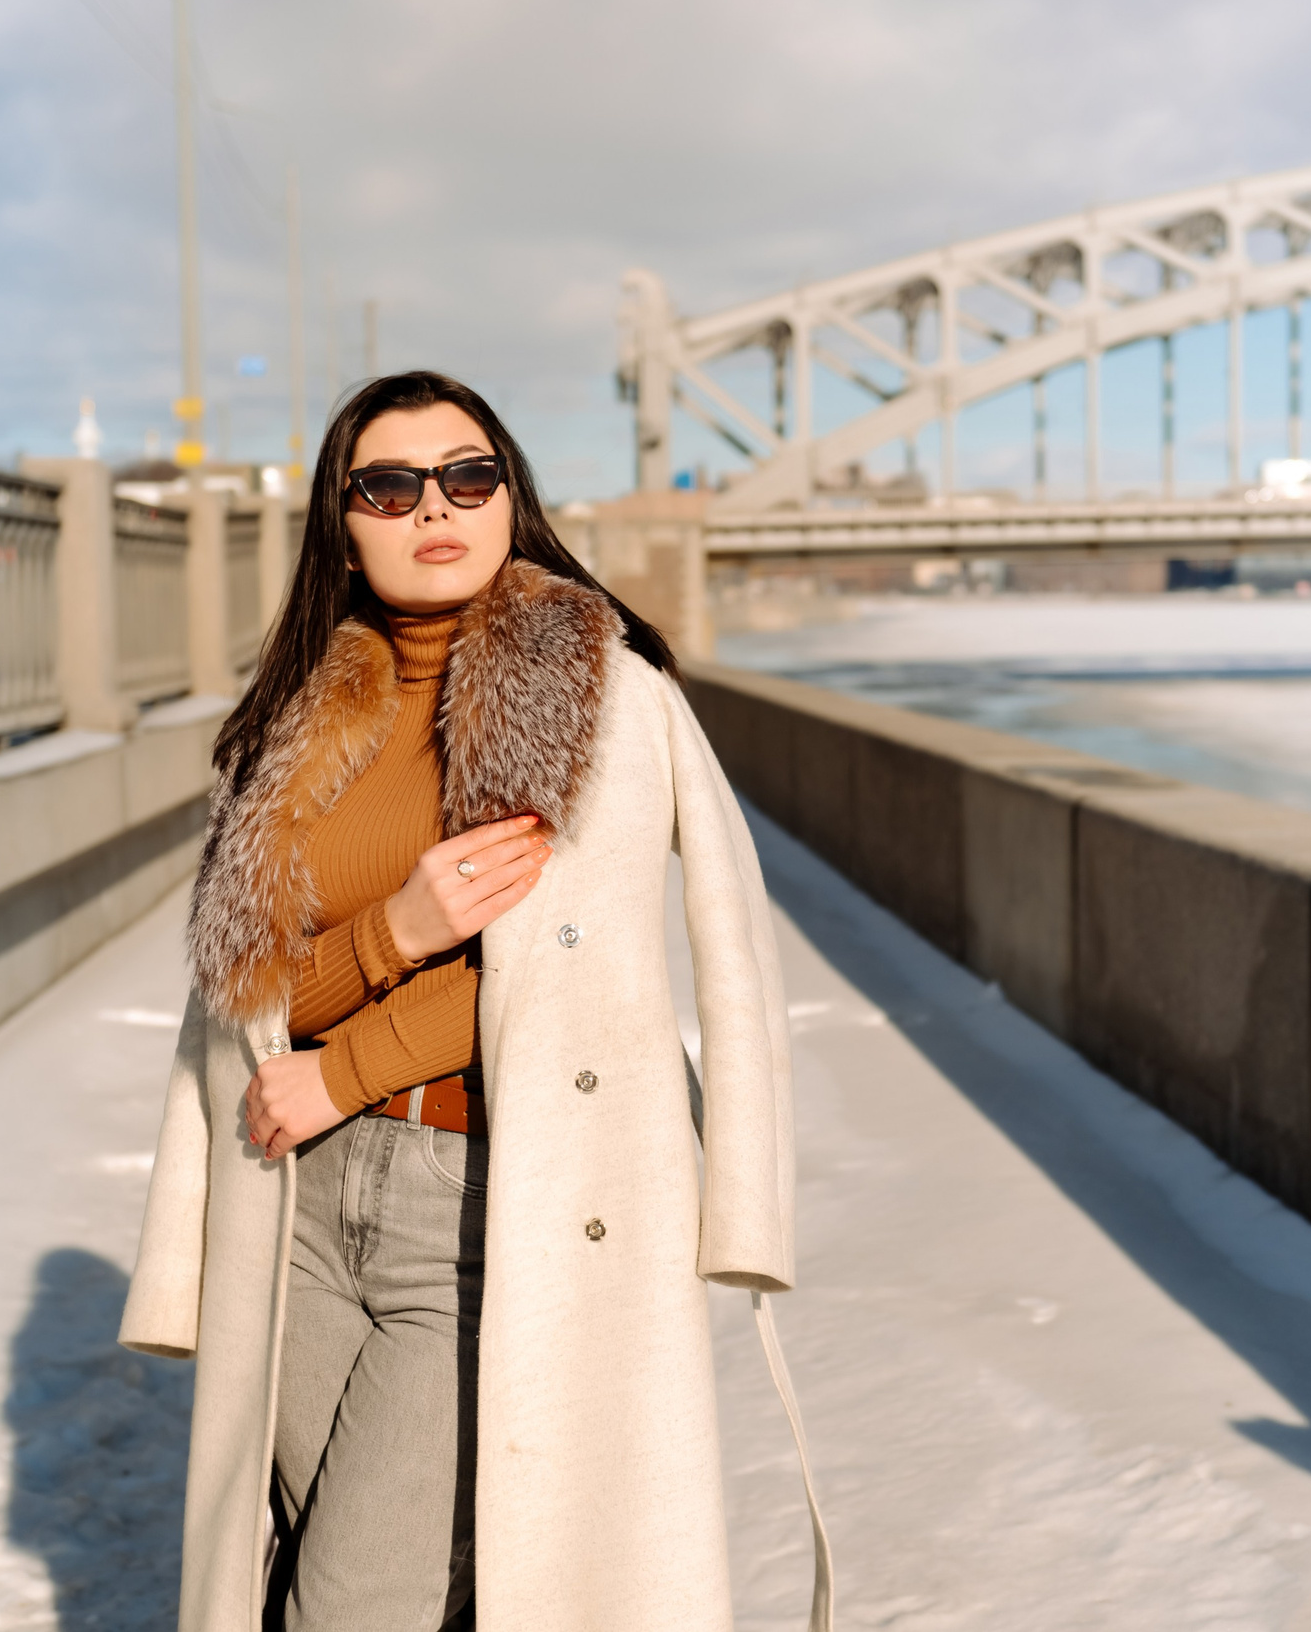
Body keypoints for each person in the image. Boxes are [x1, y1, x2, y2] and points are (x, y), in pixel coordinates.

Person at [118, 371, 827, 1631]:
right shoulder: (293, 723)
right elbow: (251, 997)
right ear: (343, 521)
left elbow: (590, 971)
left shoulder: (609, 697)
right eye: (388, 486)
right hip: (293, 1197)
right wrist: (396, 933)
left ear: (510, 495)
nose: (431, 507)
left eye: (467, 474)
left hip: (493, 1202)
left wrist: (347, 1062)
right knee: (318, 1566)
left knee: (353, 1602)